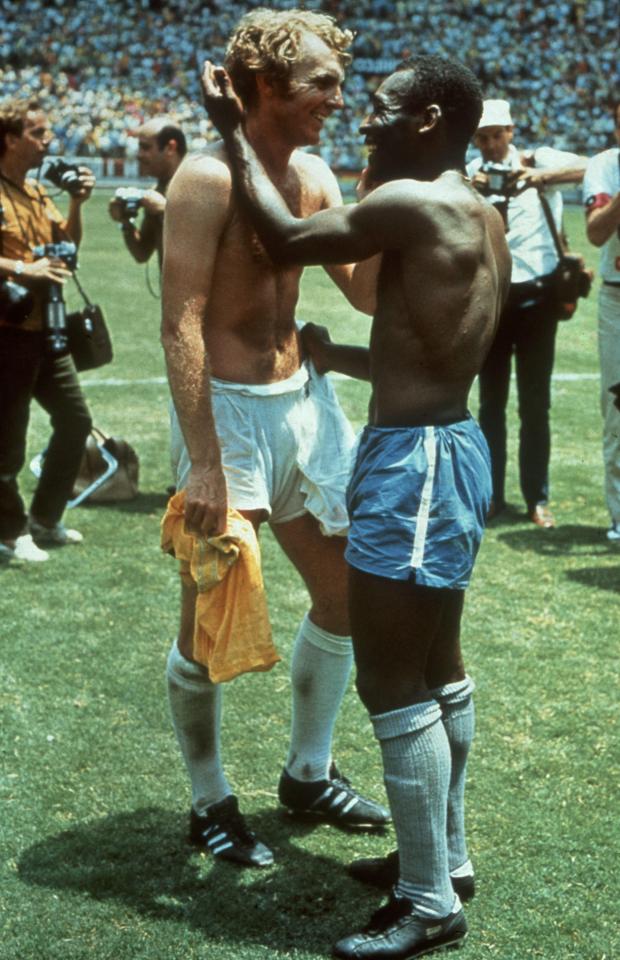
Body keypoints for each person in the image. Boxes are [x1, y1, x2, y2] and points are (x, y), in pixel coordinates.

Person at [201, 51, 510, 958]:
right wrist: (343, 360)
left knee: (391, 679)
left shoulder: (409, 204)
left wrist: (227, 130)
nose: (359, 118)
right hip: (447, 448)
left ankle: (429, 904)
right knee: (440, 663)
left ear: (426, 120)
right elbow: (436, 353)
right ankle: (444, 863)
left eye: (377, 107)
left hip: (413, 467)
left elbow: (287, 238)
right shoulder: (479, 212)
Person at [160, 8, 389, 873]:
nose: (337, 96)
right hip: (228, 416)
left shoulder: (318, 173)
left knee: (343, 600)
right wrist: (207, 457)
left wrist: (394, 185)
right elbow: (179, 321)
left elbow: (363, 296)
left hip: (303, 406)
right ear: (264, 86)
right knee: (210, 617)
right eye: (321, 83)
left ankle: (306, 772)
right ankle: (209, 799)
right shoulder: (207, 179)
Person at [467, 99, 588, 529]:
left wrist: (539, 177)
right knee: (490, 405)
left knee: (535, 405)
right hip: (493, 299)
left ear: (512, 131)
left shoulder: (540, 160)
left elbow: (593, 168)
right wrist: (472, 187)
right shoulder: (469, 173)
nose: (491, 144)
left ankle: (537, 498)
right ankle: (492, 495)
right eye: (482, 136)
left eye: (497, 134)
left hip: (537, 299)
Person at [0, 98, 94, 564]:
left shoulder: (37, 192)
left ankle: (44, 517)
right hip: (8, 332)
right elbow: (29, 263)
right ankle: (11, 531)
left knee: (76, 420)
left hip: (46, 331)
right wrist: (23, 269)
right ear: (11, 138)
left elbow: (66, 245)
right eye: (38, 134)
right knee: (7, 440)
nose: (47, 143)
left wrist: (76, 203)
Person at [583, 100, 620, 543]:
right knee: (616, 408)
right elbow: (595, 232)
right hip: (617, 293)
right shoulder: (605, 166)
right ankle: (619, 514)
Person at [108, 117, 186, 267]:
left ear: (170, 147)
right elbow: (141, 253)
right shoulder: (156, 192)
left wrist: (165, 211)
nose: (139, 155)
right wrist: (126, 221)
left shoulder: (198, 184)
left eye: (145, 148)